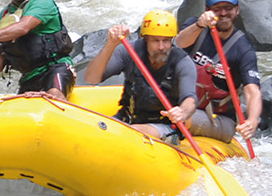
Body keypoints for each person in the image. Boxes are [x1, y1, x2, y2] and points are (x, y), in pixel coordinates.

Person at [84, 10, 197, 140]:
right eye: (155, 41)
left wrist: (182, 111)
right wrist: (110, 45)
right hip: (128, 117)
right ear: (146, 39)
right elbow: (91, 78)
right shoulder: (129, 51)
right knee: (94, 132)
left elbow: (190, 98)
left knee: (132, 132)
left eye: (166, 41)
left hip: (163, 124)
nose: (161, 47)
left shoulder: (182, 62)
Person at [176, 0, 263, 142]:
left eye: (228, 8)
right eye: (217, 9)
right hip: (184, 104)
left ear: (237, 10)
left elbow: (252, 91)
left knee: (181, 117)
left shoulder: (244, 50)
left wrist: (252, 120)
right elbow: (179, 42)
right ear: (207, 11)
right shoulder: (195, 27)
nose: (223, 13)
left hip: (218, 118)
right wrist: (199, 25)